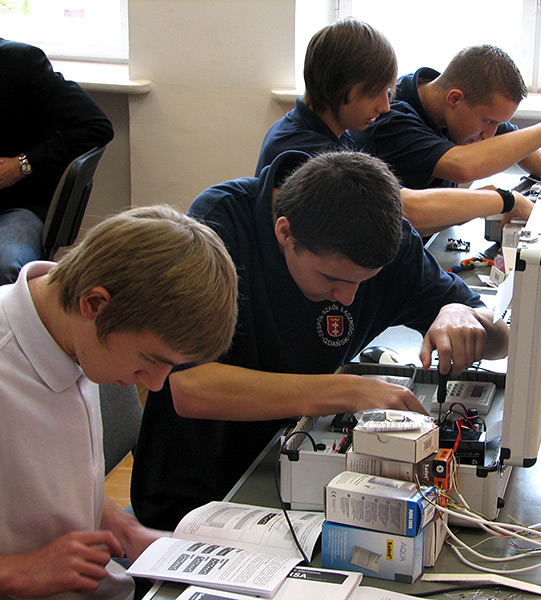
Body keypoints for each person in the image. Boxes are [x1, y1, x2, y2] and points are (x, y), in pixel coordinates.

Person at [131, 150, 510, 531]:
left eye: (363, 282)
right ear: (285, 233)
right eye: (332, 279)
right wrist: (349, 391)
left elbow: (502, 341)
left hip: (308, 477)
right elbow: (190, 387)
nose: (347, 297)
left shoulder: (385, 238)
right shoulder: (222, 225)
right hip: (202, 491)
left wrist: (460, 313)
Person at [0, 206, 238, 600]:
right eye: (150, 359)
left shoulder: (69, 331)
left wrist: (124, 529)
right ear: (95, 304)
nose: (157, 384)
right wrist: (17, 572)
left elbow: (45, 483)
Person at [254, 18, 534, 238]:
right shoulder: (300, 149)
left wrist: (478, 203)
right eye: (375, 93)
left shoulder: (340, 137)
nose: (385, 106)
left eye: (388, 93)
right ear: (339, 87)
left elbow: (405, 221)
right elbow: (407, 209)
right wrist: (504, 200)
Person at [353, 44, 541, 194]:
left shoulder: (455, 109)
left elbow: (518, 143)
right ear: (454, 99)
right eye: (489, 121)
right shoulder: (391, 118)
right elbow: (462, 166)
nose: (490, 134)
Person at [0, 38, 115, 285]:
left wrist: (21, 165)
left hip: (19, 205)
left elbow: (95, 126)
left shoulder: (19, 61)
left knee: (4, 265)